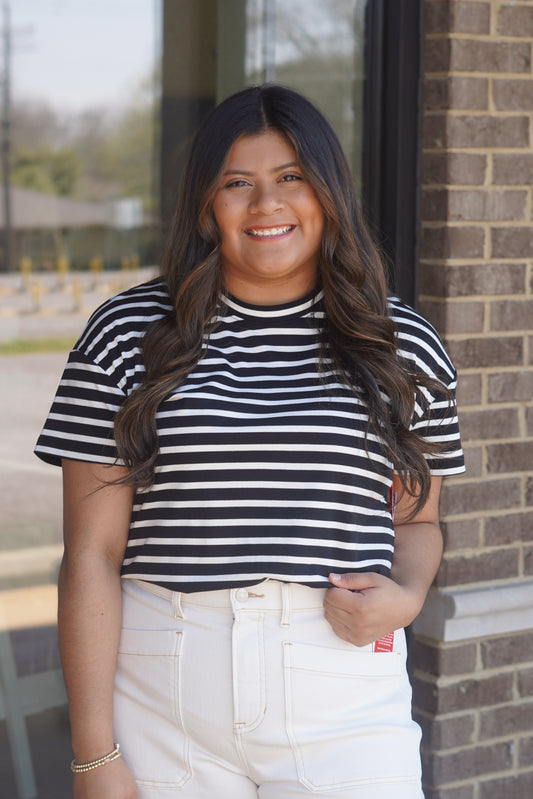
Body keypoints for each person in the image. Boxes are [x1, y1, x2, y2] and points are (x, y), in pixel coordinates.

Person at [35, 84, 464, 799]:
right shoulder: (124, 336)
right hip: (163, 682)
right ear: (207, 203)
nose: (266, 205)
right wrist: (92, 753)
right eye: (238, 183)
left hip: (342, 682)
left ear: (327, 193)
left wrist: (409, 592)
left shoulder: (402, 345)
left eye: (290, 178)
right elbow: (91, 553)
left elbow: (416, 520)